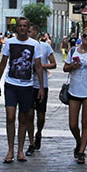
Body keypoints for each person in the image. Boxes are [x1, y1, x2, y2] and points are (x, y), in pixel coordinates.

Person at [0, 18, 45, 163]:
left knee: (23, 118)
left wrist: (41, 87)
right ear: (16, 28)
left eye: (25, 26)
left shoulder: (34, 44)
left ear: (28, 28)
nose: (22, 28)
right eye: (20, 26)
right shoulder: (9, 42)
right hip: (11, 84)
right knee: (10, 117)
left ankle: (20, 150)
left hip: (27, 86)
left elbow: (39, 66)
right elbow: (3, 63)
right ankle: (10, 149)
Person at [63, 26, 87, 164]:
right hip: (74, 90)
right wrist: (72, 66)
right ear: (81, 36)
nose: (86, 39)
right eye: (85, 36)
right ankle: (79, 141)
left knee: (85, 122)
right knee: (72, 124)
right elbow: (65, 68)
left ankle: (81, 152)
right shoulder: (74, 51)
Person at [26, 23, 56, 157]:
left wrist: (40, 66)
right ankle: (31, 142)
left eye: (31, 31)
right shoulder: (25, 46)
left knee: (41, 115)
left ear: (37, 33)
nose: (28, 33)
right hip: (27, 85)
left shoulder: (45, 47)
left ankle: (39, 133)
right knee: (29, 114)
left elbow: (54, 64)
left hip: (41, 85)